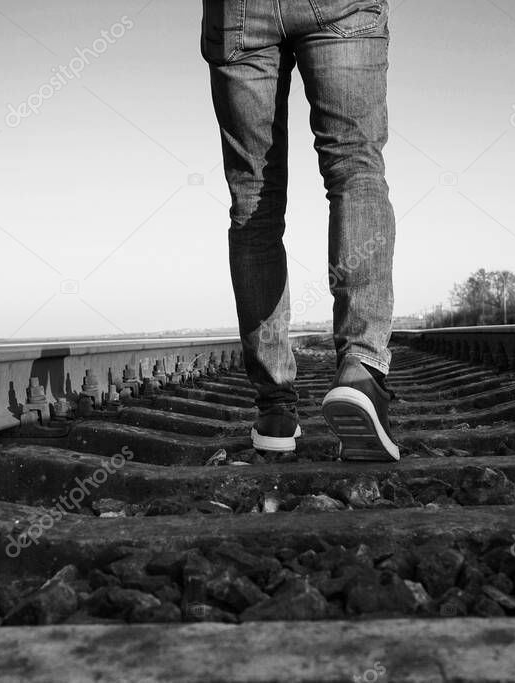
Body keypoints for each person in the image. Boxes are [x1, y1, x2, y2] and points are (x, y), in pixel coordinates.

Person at [201, 0, 399, 461]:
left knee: (254, 200)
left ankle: (274, 408)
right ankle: (362, 369)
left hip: (238, 13)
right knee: (355, 169)